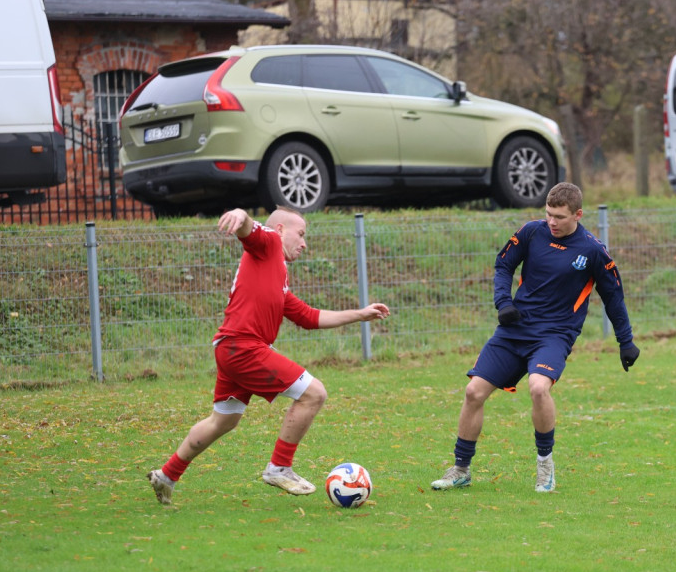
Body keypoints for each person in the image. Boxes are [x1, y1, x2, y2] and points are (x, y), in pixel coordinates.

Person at [146, 207, 390, 505]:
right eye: (300, 234)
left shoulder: (278, 273)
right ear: (280, 229)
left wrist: (360, 314)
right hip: (244, 346)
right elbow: (250, 231)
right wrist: (240, 215)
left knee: (223, 421)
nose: (304, 243)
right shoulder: (270, 243)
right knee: (314, 394)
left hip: (231, 347)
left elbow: (307, 316)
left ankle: (167, 475)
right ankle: (279, 467)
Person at [431, 182, 639, 493]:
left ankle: (545, 468)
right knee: (474, 391)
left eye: (560, 216)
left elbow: (614, 298)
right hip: (515, 329)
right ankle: (461, 469)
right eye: (548, 214)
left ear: (578, 215)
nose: (552, 222)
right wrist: (504, 303)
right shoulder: (532, 232)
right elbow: (503, 265)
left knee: (539, 388)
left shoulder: (593, 252)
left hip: (554, 335)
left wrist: (626, 341)